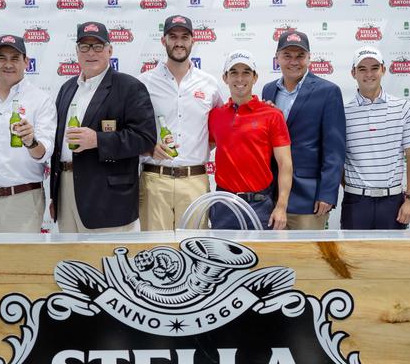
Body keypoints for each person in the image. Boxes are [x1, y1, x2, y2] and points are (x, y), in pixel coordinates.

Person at [49, 21, 156, 233]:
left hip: (108, 199)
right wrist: (56, 194)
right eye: (85, 47)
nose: (91, 53)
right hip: (66, 192)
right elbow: (57, 144)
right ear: (77, 51)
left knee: (106, 264)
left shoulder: (129, 87)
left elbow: (145, 138)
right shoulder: (67, 88)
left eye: (98, 46)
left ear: (109, 50)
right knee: (71, 263)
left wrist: (97, 140)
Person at [138, 15, 223, 230]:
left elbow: (221, 126)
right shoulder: (143, 83)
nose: (179, 42)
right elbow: (131, 129)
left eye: (184, 37)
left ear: (193, 41)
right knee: (156, 253)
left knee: (196, 252)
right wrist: (148, 148)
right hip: (155, 181)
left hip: (194, 180)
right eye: (173, 37)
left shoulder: (209, 84)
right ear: (163, 40)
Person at [261, 31, 345, 230]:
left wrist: (327, 193)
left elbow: (335, 149)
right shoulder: (268, 90)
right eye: (287, 55)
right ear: (277, 58)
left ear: (309, 57)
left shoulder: (328, 91)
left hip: (309, 198)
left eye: (300, 56)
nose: (294, 61)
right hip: (271, 196)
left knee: (309, 258)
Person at [0, 34, 55, 232]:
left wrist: (31, 141)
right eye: (2, 58)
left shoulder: (41, 100)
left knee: (20, 263)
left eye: (15, 58)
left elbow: (44, 152)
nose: (8, 64)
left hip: (23, 201)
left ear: (26, 62)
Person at [342, 46, 410, 230]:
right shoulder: (343, 112)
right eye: (362, 69)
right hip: (356, 202)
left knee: (392, 258)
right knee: (354, 258)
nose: (369, 74)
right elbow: (338, 158)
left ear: (383, 70)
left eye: (374, 68)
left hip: (393, 202)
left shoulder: (403, 107)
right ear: (353, 73)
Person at [209, 50, 292, 230]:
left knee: (264, 259)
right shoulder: (215, 116)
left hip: (260, 206)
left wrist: (281, 206)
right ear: (225, 78)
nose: (240, 79)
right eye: (234, 73)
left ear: (255, 78)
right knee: (220, 258)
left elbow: (285, 164)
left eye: (246, 72)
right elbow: (200, 147)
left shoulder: (272, 115)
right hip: (224, 206)